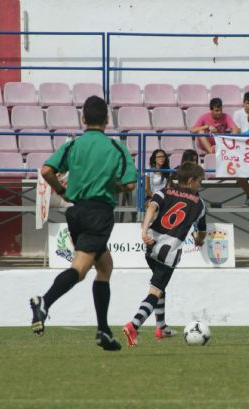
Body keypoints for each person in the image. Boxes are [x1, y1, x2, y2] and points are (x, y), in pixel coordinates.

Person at [29, 95, 137, 352]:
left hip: (76, 212)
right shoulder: (116, 148)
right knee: (80, 269)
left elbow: (46, 171)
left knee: (105, 265)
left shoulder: (73, 145)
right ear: (108, 120)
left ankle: (104, 330)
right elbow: (130, 184)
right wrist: (112, 184)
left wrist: (62, 191)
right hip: (99, 213)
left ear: (83, 119)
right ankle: (44, 301)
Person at [123, 162, 207, 347]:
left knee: (159, 286)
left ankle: (161, 326)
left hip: (151, 245)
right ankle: (134, 325)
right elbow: (201, 233)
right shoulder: (199, 203)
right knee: (156, 291)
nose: (200, 185)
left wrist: (144, 231)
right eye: (200, 181)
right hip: (168, 252)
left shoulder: (165, 191)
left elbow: (151, 208)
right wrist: (199, 240)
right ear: (191, 180)